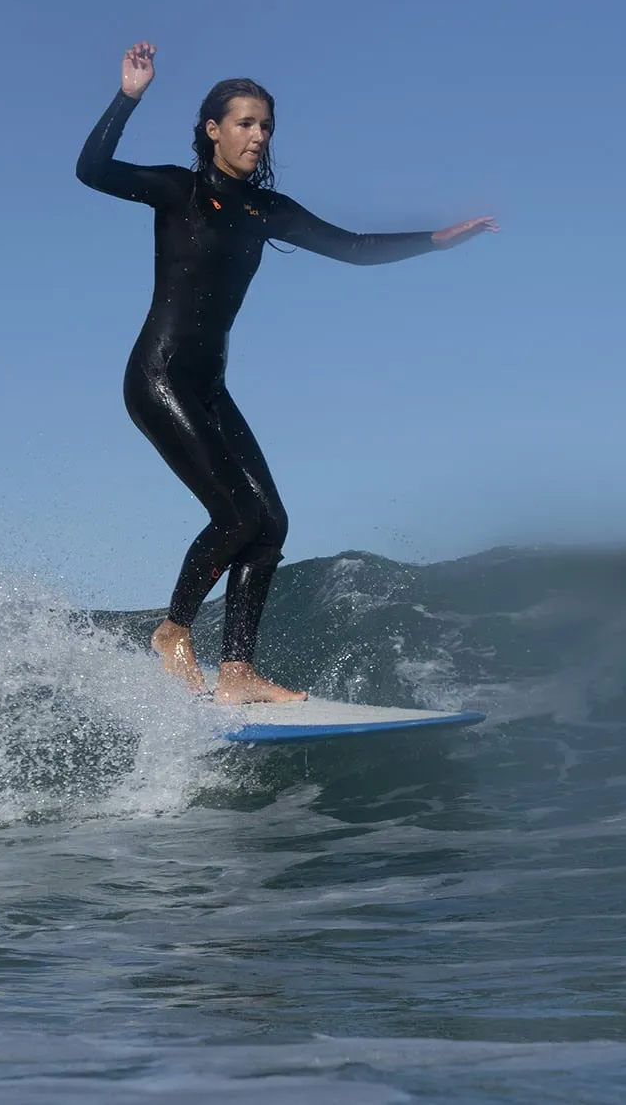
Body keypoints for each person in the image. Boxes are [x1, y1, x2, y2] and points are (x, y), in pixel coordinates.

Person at [77, 41, 496, 704]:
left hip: (208, 387)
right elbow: (92, 169)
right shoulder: (176, 191)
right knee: (237, 514)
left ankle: (238, 672)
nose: (258, 135)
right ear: (213, 130)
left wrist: (437, 240)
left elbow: (353, 249)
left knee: (269, 524)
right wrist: (128, 96)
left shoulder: (265, 212)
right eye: (244, 122)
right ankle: (173, 629)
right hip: (159, 378)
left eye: (266, 125)